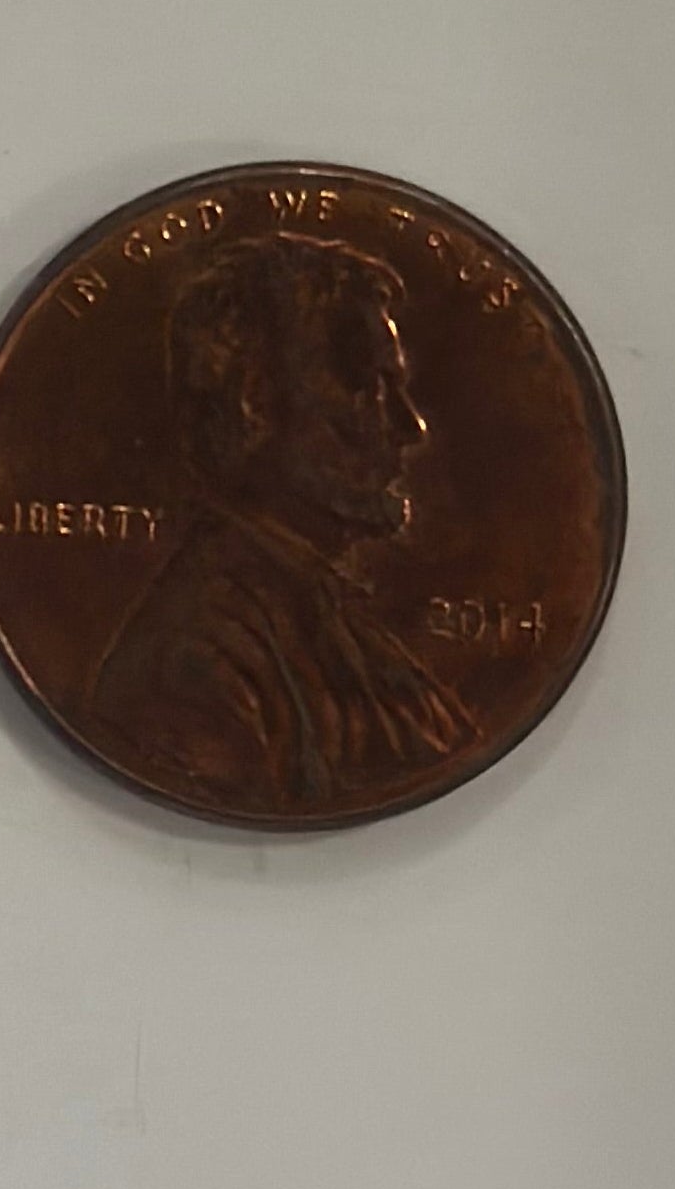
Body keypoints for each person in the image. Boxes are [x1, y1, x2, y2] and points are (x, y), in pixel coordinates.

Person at [85, 233, 474, 810]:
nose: (409, 426)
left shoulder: (332, 625)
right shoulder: (192, 665)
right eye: (367, 386)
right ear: (255, 404)